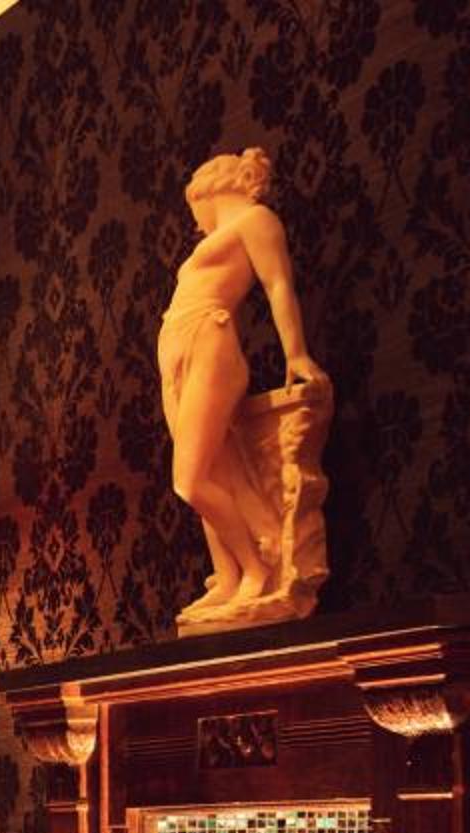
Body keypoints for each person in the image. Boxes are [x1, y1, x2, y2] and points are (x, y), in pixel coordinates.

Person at [161, 146, 324, 624]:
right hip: (179, 349)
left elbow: (278, 285)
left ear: (207, 193)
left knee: (189, 480)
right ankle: (229, 576)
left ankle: (256, 568)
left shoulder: (255, 220)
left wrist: (296, 354)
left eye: (195, 211)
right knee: (213, 472)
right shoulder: (222, 234)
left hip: (211, 341)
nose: (196, 224)